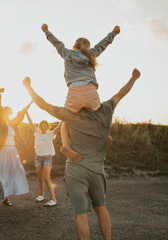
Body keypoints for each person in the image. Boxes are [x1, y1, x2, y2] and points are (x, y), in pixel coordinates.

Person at [23, 68, 141, 240]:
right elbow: (121, 93)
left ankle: (67, 147)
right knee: (101, 208)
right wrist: (134, 78)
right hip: (96, 170)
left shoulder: (70, 115)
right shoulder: (106, 109)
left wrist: (28, 87)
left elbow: (43, 104)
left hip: (76, 171)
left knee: (81, 214)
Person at [41, 23, 120, 162]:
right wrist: (114, 32)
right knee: (98, 118)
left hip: (74, 93)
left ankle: (66, 146)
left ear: (74, 46)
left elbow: (56, 43)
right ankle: (104, 140)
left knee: (66, 120)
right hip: (91, 93)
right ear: (87, 47)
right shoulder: (91, 54)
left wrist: (46, 31)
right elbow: (103, 44)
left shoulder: (68, 53)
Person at [0, 101, 32, 211]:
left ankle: (6, 198)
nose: (9, 114)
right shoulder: (0, 124)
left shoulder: (13, 124)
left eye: (10, 112)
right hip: (2, 151)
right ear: (3, 114)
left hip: (12, 152)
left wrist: (30, 102)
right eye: (7, 112)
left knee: (10, 174)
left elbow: (21, 113)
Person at [25, 110, 61, 207]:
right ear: (40, 127)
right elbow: (31, 122)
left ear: (47, 127)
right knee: (40, 178)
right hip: (38, 158)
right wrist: (27, 113)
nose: (43, 127)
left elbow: (59, 127)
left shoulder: (51, 134)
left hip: (47, 158)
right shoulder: (37, 132)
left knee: (46, 178)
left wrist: (63, 118)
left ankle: (54, 199)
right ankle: (42, 195)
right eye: (41, 126)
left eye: (45, 126)